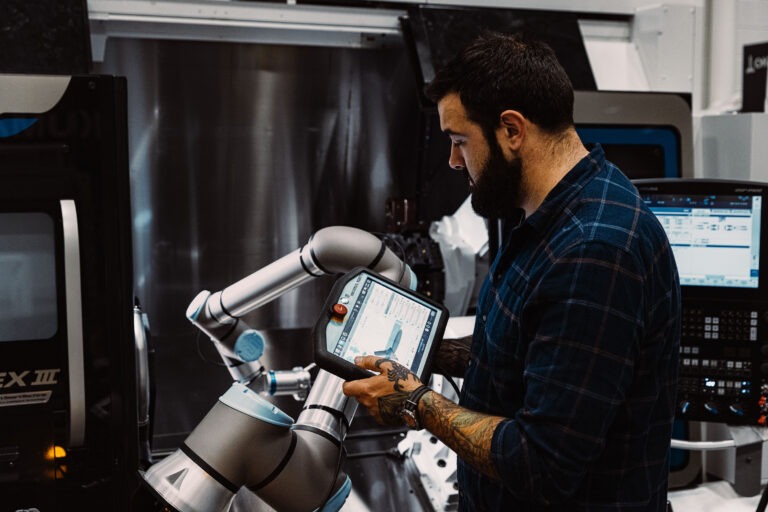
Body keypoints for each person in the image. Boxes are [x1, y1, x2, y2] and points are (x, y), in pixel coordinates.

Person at [342, 33, 681, 511]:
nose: (454, 160)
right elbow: (527, 350)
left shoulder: (594, 250)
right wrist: (426, 352)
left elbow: (541, 463)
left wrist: (416, 402)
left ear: (512, 130)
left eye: (460, 141)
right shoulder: (548, 217)